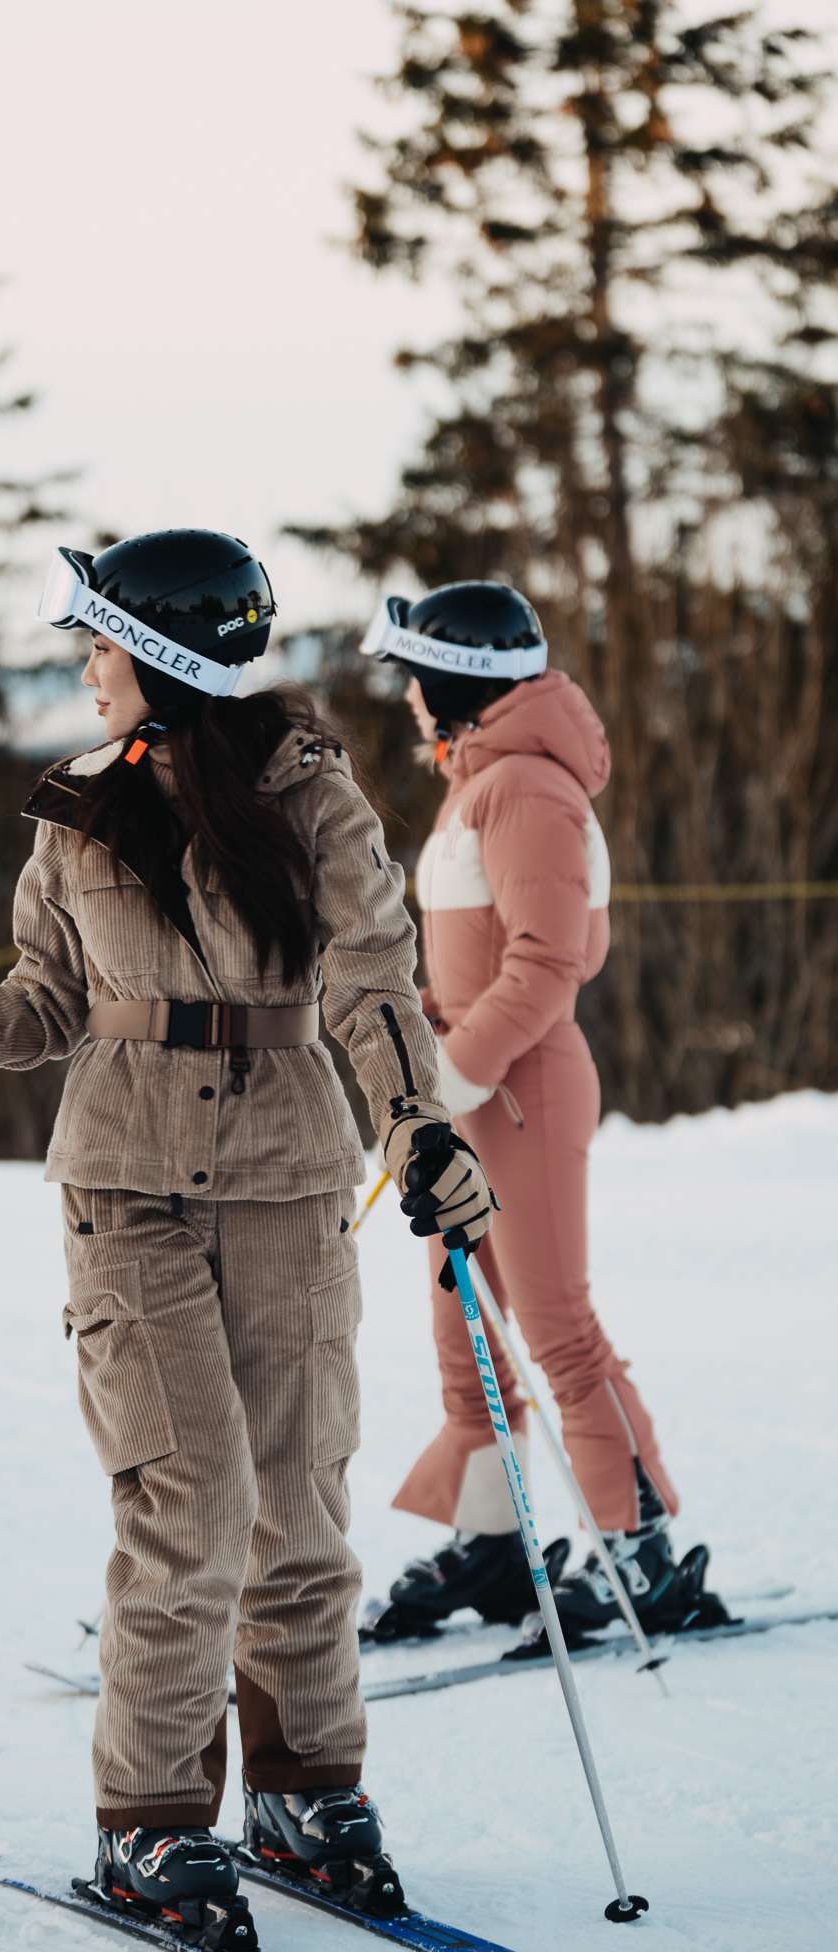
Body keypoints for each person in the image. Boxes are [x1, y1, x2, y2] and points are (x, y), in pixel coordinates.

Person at [0, 529, 493, 1952]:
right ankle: (151, 1815)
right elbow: (40, 1002)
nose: (87, 668)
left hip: (288, 1178)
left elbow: (372, 977)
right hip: (126, 1185)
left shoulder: (311, 796)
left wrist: (416, 1126)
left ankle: (304, 1789)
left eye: (100, 642)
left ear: (161, 655)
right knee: (192, 1499)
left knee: (297, 1504)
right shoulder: (77, 813)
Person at [359, 579, 698, 1643]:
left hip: (523, 1088)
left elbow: (549, 961)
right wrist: (428, 1026)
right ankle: (496, 1541)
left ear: (454, 680)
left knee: (554, 1327)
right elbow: (485, 953)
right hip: (468, 1087)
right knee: (468, 1329)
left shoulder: (524, 789)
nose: (407, 695)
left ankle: (641, 1548)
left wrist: (455, 1069)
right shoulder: (482, 781)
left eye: (415, 675)